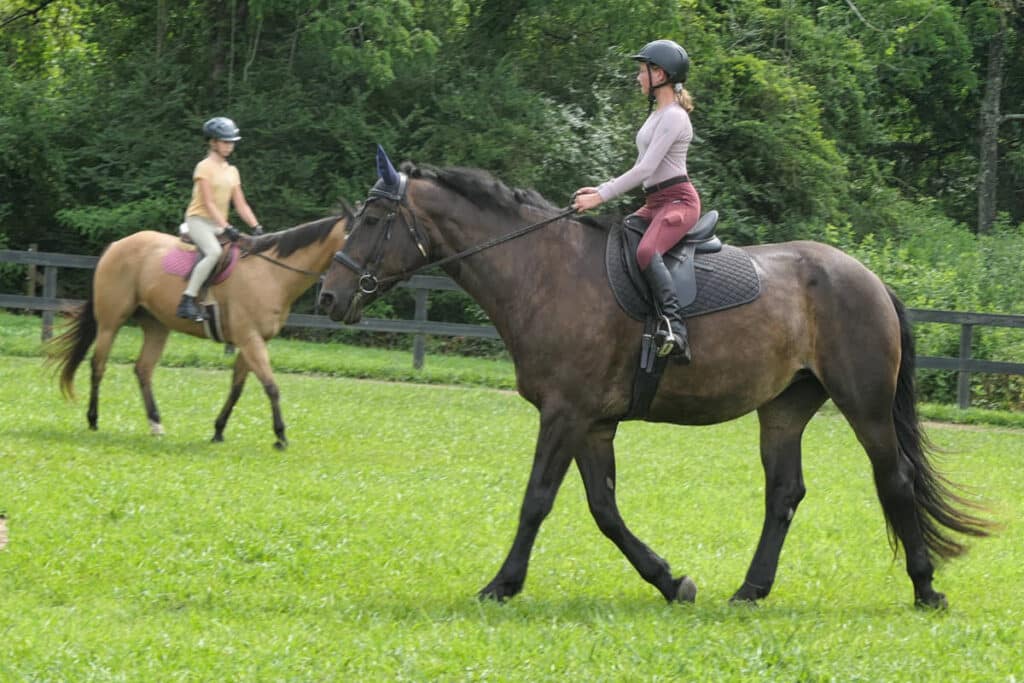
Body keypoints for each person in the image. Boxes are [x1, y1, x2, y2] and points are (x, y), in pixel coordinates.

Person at [573, 39, 700, 362]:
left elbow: (646, 168)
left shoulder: (674, 117)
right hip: (655, 201)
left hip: (678, 202)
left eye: (642, 71)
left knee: (646, 250)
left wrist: (601, 195)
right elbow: (642, 171)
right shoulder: (658, 114)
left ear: (660, 74)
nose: (638, 77)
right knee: (623, 234)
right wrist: (599, 189)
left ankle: (675, 326)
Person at [177, 116, 264, 322]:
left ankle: (219, 303)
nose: (229, 146)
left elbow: (241, 204)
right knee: (214, 252)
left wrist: (256, 226)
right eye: (225, 142)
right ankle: (187, 300)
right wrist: (227, 227)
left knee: (240, 253)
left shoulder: (232, 171)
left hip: (217, 224)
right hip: (199, 220)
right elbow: (208, 203)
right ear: (213, 142)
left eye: (232, 142)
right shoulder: (204, 167)